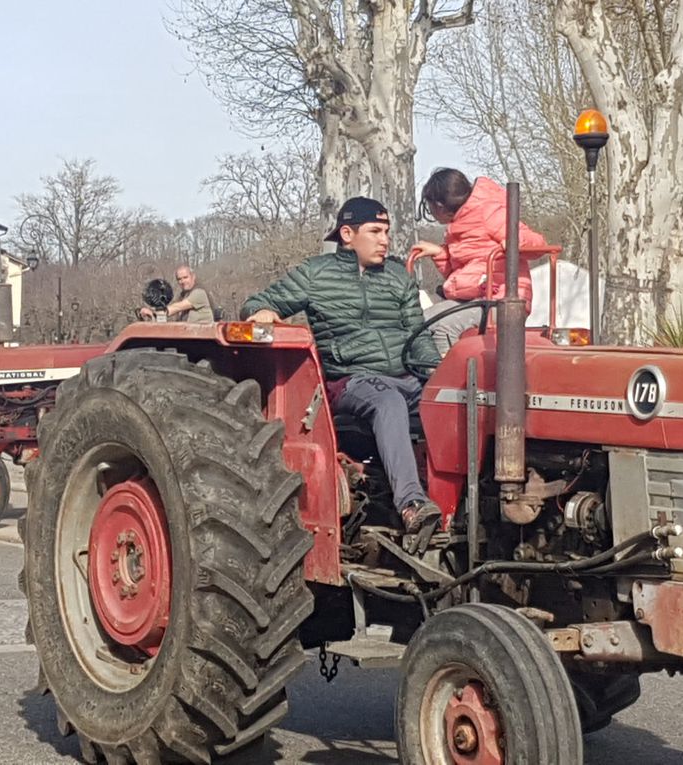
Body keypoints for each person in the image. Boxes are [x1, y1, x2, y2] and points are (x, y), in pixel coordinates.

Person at [241, 197, 443, 552]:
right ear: (348, 234)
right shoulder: (316, 274)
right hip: (350, 381)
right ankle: (412, 506)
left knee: (455, 403)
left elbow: (418, 337)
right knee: (387, 401)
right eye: (376, 231)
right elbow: (257, 303)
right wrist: (262, 312)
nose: (385, 240)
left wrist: (441, 378)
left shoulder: (398, 276)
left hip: (405, 376)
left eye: (387, 232)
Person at [410, 169, 550, 355]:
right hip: (476, 299)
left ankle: (443, 379)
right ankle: (426, 377)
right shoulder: (459, 225)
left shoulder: (488, 213)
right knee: (422, 322)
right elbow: (464, 276)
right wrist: (440, 254)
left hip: (503, 301)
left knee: (443, 328)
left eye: (430, 206)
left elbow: (538, 244)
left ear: (439, 205)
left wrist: (515, 242)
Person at [139, 265, 215, 323]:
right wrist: (152, 312)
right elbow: (171, 307)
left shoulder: (199, 293)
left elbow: (175, 308)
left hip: (201, 337)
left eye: (185, 277)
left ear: (193, 277)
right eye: (179, 279)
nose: (182, 281)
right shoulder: (183, 295)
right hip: (188, 334)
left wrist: (153, 312)